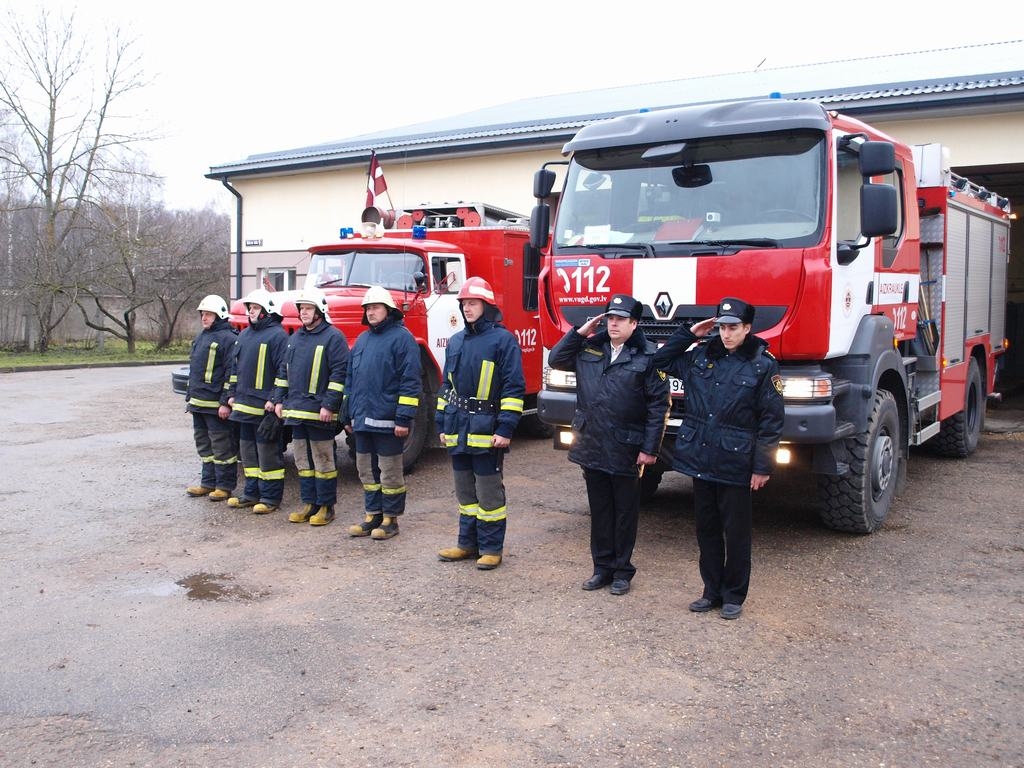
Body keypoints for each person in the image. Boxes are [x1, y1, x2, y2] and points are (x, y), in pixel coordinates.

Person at [652, 297, 784, 620]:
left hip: (736, 462)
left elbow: (772, 420)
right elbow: (660, 362)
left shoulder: (762, 364)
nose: (726, 334)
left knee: (736, 533)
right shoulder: (700, 356)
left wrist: (762, 466)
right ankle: (710, 591)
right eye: (722, 327)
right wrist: (689, 334)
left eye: (733, 328)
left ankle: (733, 595)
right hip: (701, 457)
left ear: (747, 328)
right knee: (706, 530)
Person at [547, 294, 670, 596]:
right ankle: (601, 568)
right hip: (593, 443)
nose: (614, 323)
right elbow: (556, 359)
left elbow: (658, 406)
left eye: (621, 319)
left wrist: (650, 448)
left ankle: (622, 571)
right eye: (610, 318)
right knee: (600, 510)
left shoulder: (650, 356)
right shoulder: (590, 347)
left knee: (625, 512)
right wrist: (580, 332)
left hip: (627, 447)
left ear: (634, 324)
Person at [435, 276, 525, 570]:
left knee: (489, 493)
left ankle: (491, 548)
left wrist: (506, 427)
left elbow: (513, 386)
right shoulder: (457, 341)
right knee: (465, 493)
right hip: (458, 428)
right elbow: (446, 386)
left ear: (487, 306)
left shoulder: (503, 340)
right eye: (463, 304)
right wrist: (441, 424)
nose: (467, 308)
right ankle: (467, 544)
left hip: (487, 429)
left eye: (472, 303)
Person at [342, 286, 422, 540]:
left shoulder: (403, 338)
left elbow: (411, 381)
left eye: (375, 307)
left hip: (388, 421)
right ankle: (372, 514)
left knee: (389, 472)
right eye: (368, 308)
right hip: (362, 420)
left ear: (389, 310)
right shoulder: (363, 340)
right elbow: (350, 379)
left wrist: (403, 418)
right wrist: (347, 415)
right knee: (365, 470)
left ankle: (390, 519)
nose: (371, 312)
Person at [273, 287, 349, 527]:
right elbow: (284, 373)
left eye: (308, 308)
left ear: (320, 311)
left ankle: (326, 507)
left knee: (323, 461)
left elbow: (339, 375)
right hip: (295, 412)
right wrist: (278, 400)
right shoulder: (295, 338)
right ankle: (309, 504)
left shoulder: (333, 337)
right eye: (301, 309)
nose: (303, 313)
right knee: (303, 462)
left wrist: (329, 405)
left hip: (320, 414)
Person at [225, 288, 289, 514]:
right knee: (249, 453)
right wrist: (231, 394)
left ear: (267, 311)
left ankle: (270, 498)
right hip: (242, 406)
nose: (250, 312)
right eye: (249, 308)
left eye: (255, 308)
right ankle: (251, 493)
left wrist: (275, 399)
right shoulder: (243, 336)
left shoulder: (278, 335)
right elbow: (235, 368)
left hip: (264, 408)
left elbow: (283, 371)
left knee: (267, 454)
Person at [185, 294, 238, 501]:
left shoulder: (229, 339)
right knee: (204, 444)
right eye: (203, 314)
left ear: (220, 315)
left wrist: (225, 402)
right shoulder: (202, 337)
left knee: (222, 445)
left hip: (215, 405)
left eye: (208, 314)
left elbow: (230, 373)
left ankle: (224, 486)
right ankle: (207, 483)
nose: (204, 318)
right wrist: (190, 397)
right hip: (198, 403)